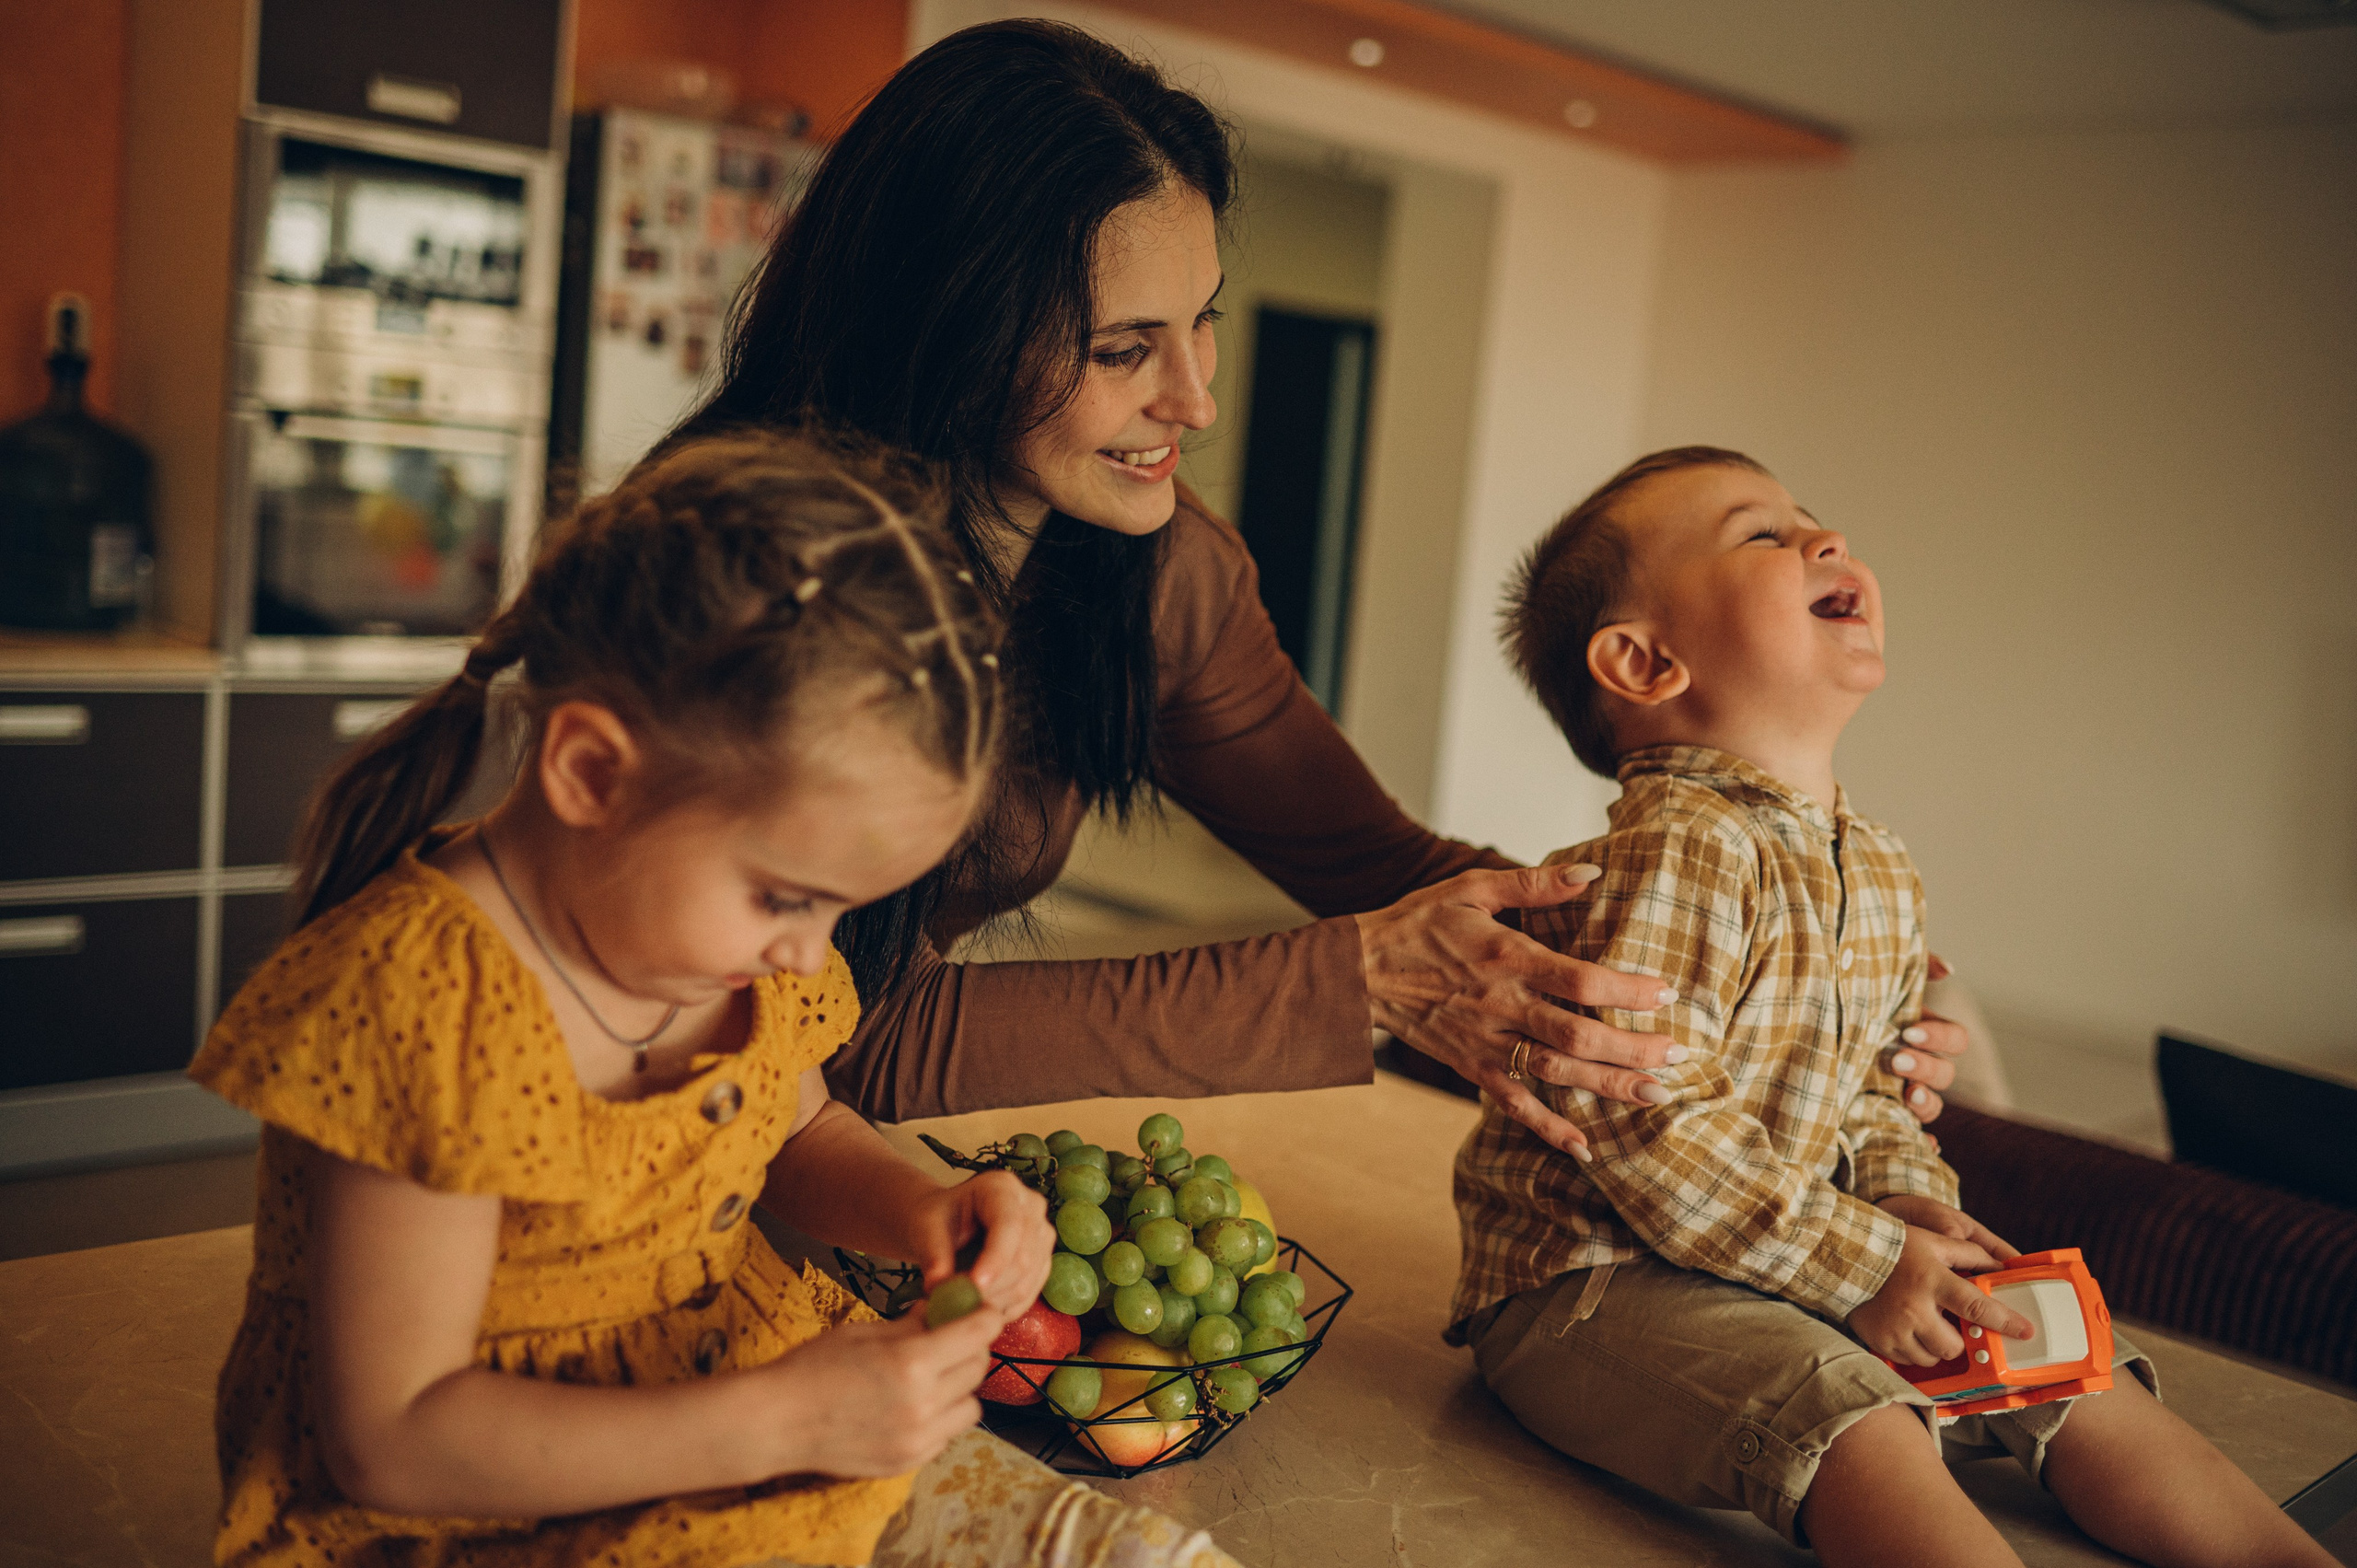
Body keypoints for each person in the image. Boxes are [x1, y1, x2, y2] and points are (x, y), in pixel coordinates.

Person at [677, 19, 1966, 1153]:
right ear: (945, 335)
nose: (1196, 399)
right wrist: (1354, 981)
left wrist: (1803, 971)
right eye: (1124, 349)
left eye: (1203, 319)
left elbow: (1370, 862)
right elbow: (820, 1033)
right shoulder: (748, 583)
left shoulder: (1161, 572)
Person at [187, 433, 1243, 1568]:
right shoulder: (417, 1005)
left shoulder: (735, 955)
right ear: (592, 773)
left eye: (838, 907)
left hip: (734, 1400)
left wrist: (923, 1209)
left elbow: (800, 1127)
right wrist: (783, 1420)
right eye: (785, 895)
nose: (808, 954)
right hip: (478, 1515)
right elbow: (393, 1440)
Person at [1446, 447, 2330, 1567]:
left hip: (1780, 1247)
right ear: (1644, 660)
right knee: (1852, 1415)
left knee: (2055, 1352)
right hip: (1591, 1280)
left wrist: (1907, 1201)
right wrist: (1863, 1264)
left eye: (1816, 522)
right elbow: (1642, 1115)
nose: (1824, 539)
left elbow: (1869, 1092)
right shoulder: (1674, 845)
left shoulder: (1875, 865)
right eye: (1762, 533)